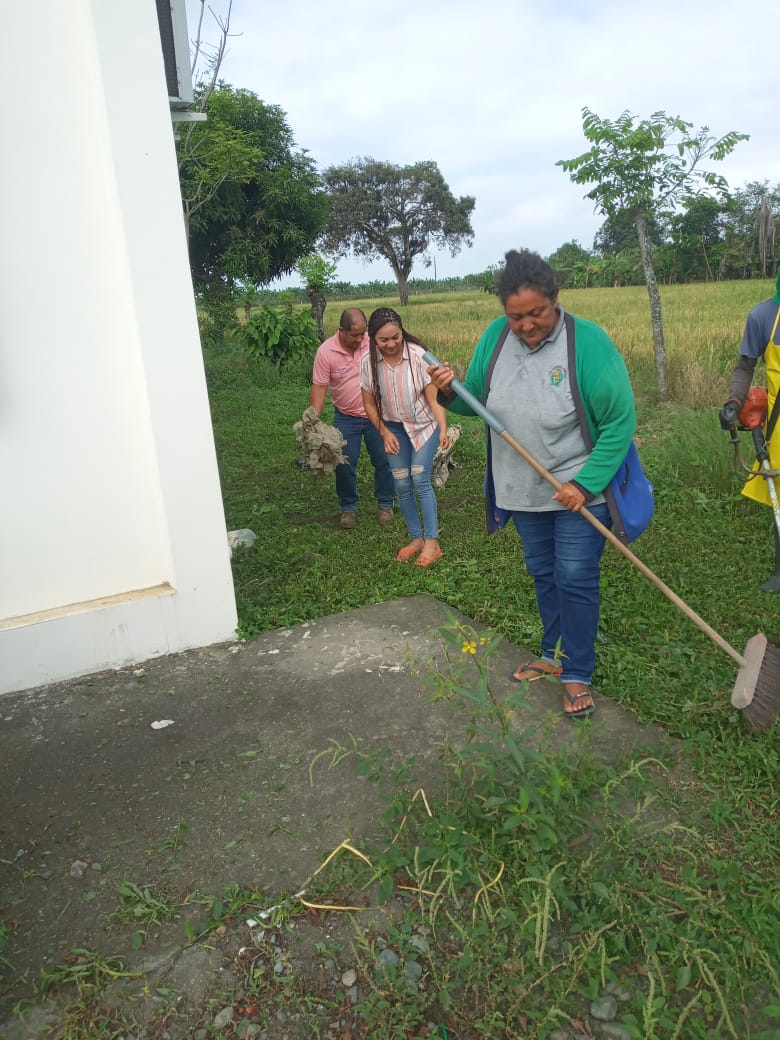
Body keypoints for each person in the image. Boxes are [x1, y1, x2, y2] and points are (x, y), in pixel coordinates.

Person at [428, 249, 636, 718]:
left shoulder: (589, 343)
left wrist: (584, 485)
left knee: (575, 576)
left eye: (536, 313)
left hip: (577, 491)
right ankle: (552, 654)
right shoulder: (495, 337)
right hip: (521, 489)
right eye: (515, 316)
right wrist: (447, 390)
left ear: (555, 298)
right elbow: (475, 401)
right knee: (544, 573)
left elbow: (619, 423)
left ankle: (577, 670)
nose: (525, 325)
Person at [360, 307, 449, 567]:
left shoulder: (419, 356)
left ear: (402, 332)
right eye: (383, 340)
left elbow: (433, 397)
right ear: (373, 338)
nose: (391, 344)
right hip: (394, 428)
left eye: (395, 337)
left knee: (420, 477)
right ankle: (416, 539)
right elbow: (369, 404)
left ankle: (432, 542)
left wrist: (443, 427)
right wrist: (384, 431)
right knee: (401, 483)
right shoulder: (368, 362)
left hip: (424, 425)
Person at [719, 267, 780, 593]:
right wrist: (734, 401)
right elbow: (745, 366)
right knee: (779, 498)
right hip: (779, 427)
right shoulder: (764, 316)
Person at [310, 308, 395, 530]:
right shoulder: (326, 352)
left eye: (362, 334)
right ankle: (348, 507)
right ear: (342, 330)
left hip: (377, 415)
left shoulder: (372, 343)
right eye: (355, 335)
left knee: (384, 459)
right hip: (346, 417)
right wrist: (312, 421)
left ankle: (386, 504)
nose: (360, 339)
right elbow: (319, 387)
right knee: (344, 463)